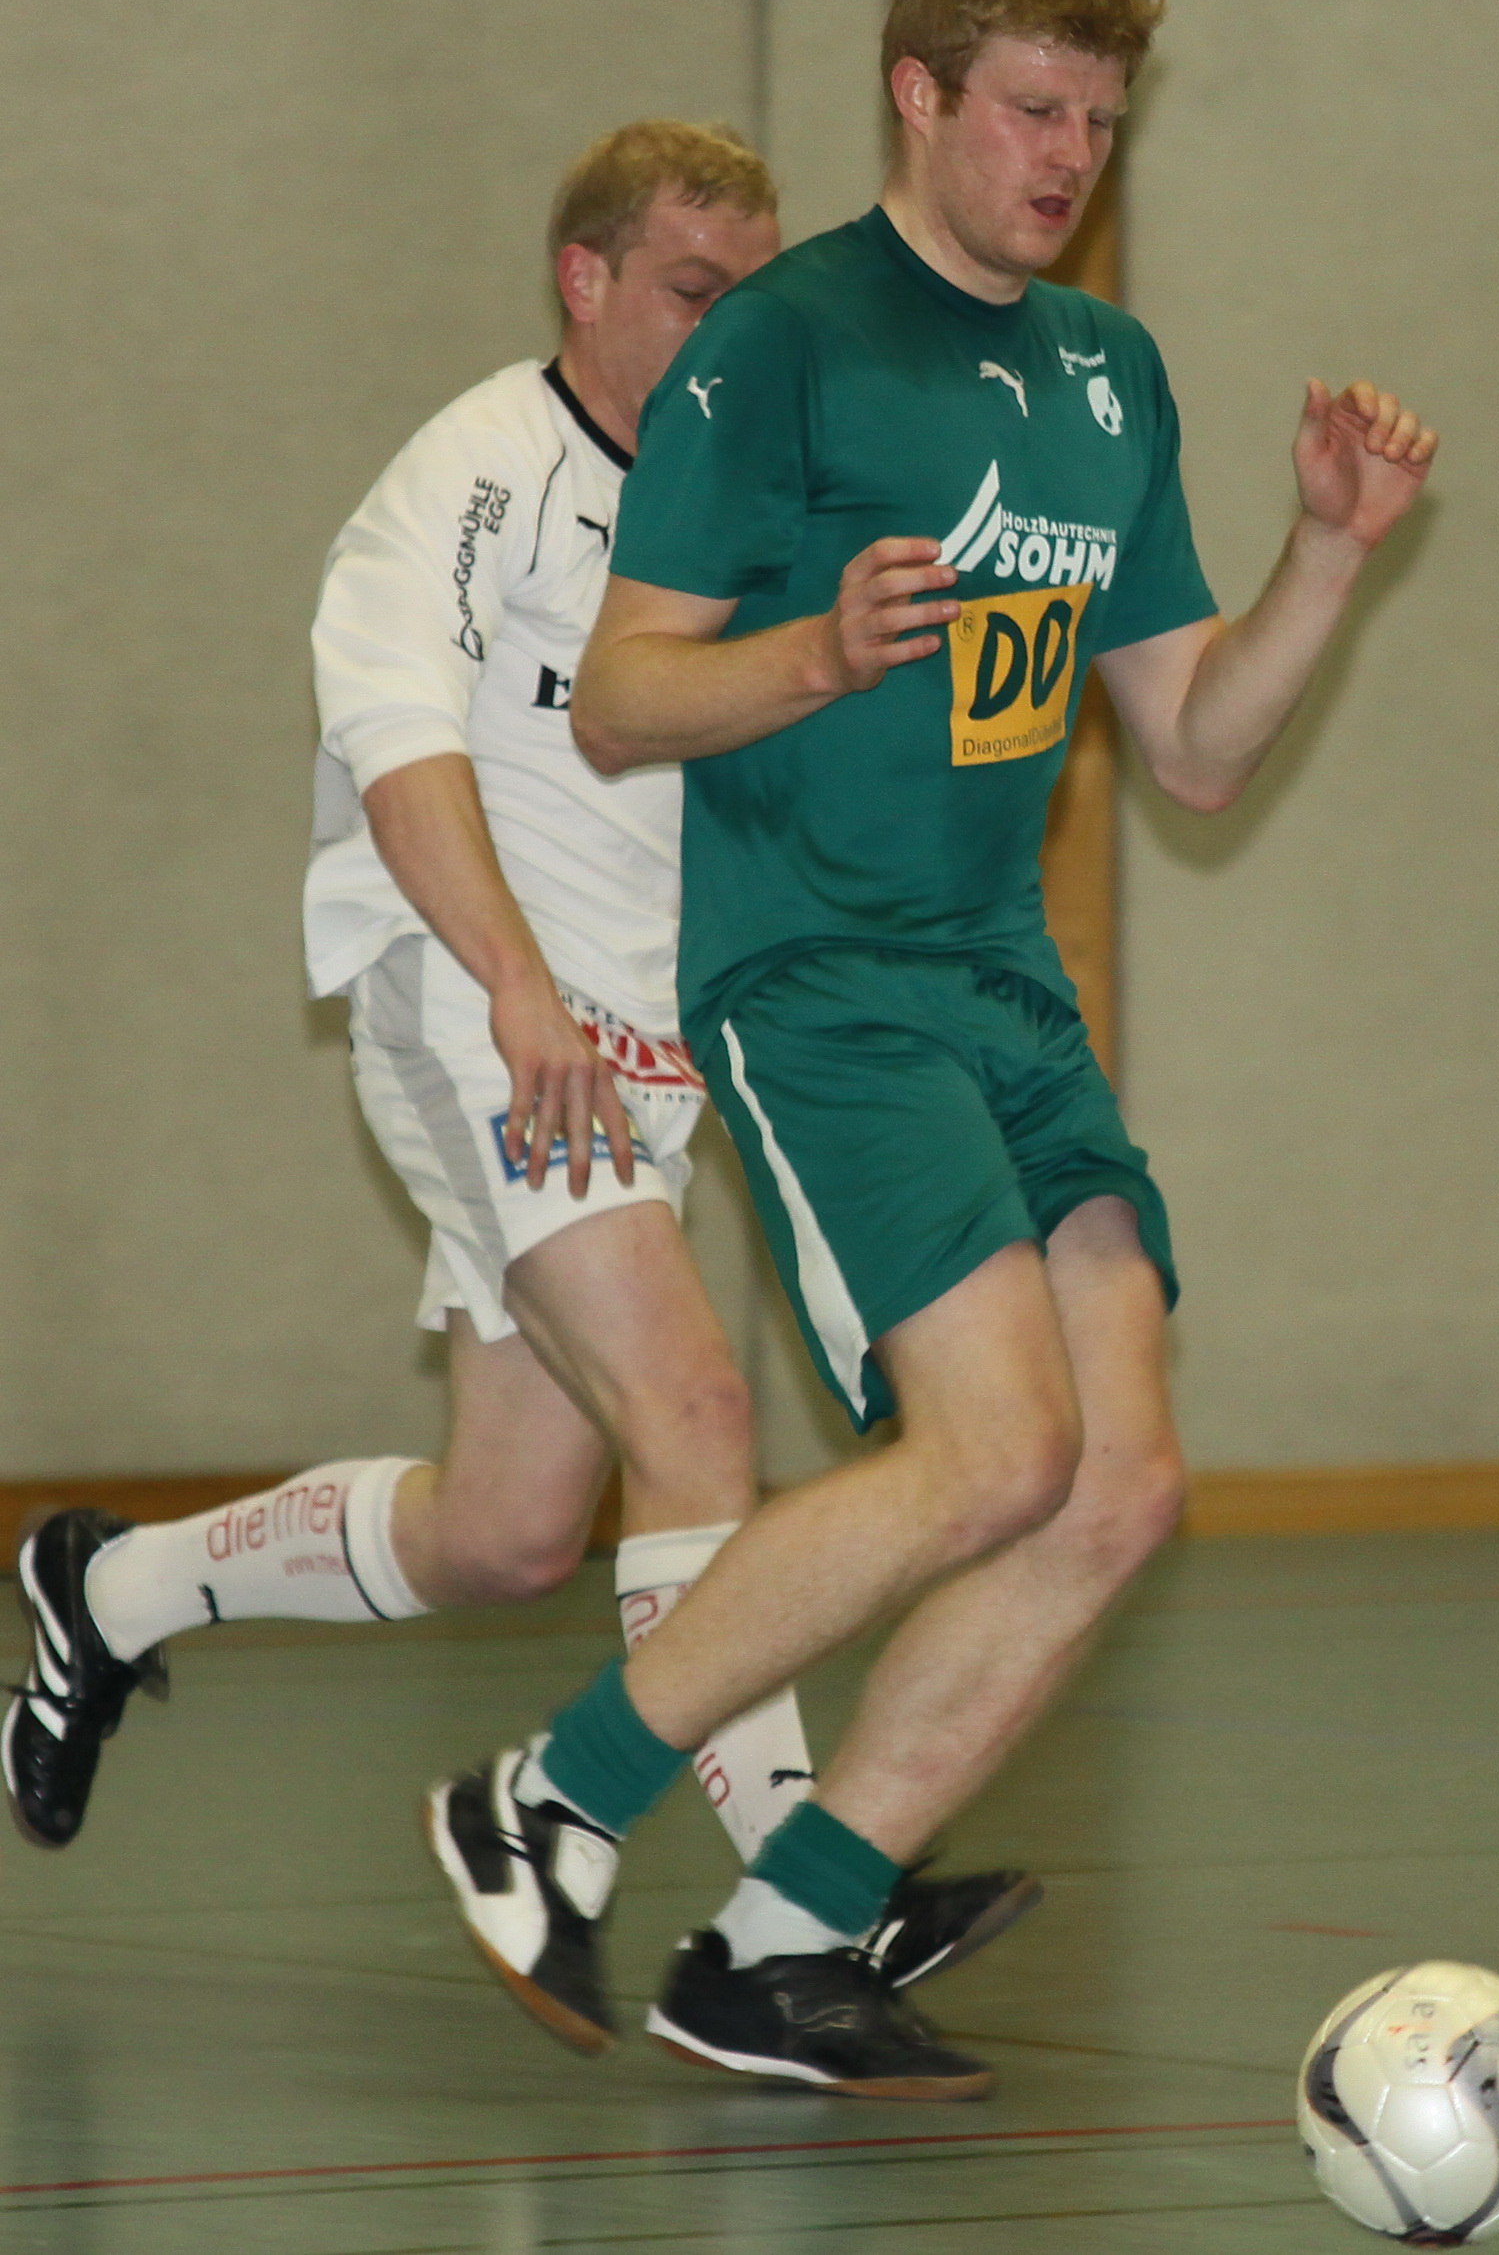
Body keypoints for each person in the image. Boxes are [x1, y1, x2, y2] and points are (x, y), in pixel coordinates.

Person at [425, 0, 1438, 2100]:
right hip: (819, 975)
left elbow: (1195, 746)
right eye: (1033, 111)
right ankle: (552, 1793)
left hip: (1007, 982)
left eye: (1102, 120)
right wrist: (814, 650)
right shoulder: (780, 346)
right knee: (997, 1450)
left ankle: (778, 1942)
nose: (1070, 154)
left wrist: (1329, 557)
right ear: (920, 94)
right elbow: (616, 694)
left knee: (1120, 1480)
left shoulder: (1107, 373)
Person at [6, 122, 1031, 2022]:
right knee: (697, 1417)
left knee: (506, 1530)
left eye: (756, 298)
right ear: (586, 278)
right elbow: (405, 759)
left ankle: (110, 1588)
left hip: (654, 1056)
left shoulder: (752, 502)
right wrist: (518, 991)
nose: (733, 334)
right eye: (695, 294)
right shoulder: (473, 474)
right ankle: (815, 1895)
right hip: (491, 1022)